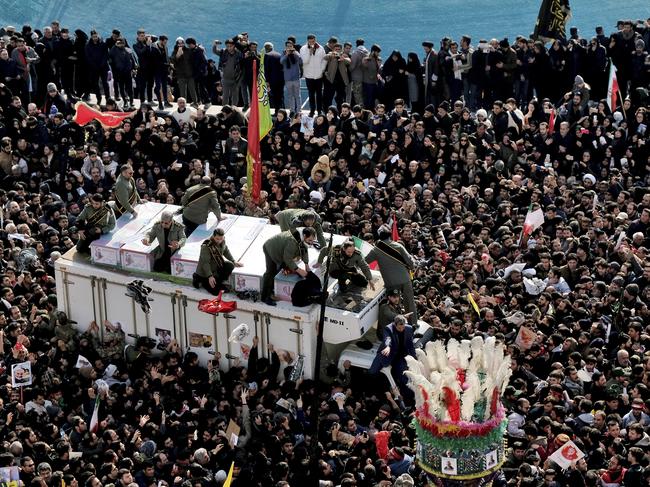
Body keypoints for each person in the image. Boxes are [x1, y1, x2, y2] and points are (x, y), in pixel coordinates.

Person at [365, 226, 417, 324]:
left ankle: (399, 324)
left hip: (391, 282)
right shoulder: (398, 246)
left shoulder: (376, 250)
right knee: (410, 303)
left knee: (395, 304)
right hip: (405, 279)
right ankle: (413, 324)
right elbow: (410, 261)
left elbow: (365, 262)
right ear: (389, 235)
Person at [261, 228, 315, 306]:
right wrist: (298, 270)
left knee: (284, 267)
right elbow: (287, 258)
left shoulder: (302, 237)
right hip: (271, 248)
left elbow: (304, 250)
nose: (311, 243)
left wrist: (306, 265)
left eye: (312, 240)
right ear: (304, 236)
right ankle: (265, 296)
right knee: (271, 272)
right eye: (310, 240)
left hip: (282, 250)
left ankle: (273, 289)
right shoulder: (293, 241)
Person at [368, 315, 415, 384]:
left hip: (400, 356)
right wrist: (387, 347)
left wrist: (414, 358)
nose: (401, 330)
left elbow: (410, 345)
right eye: (399, 328)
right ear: (394, 325)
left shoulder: (409, 329)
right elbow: (387, 338)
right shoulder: (388, 329)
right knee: (372, 371)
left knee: (404, 377)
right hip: (387, 353)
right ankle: (383, 386)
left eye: (403, 327)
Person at [193, 227, 242, 294]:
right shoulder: (206, 246)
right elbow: (205, 263)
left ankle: (218, 281)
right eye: (217, 239)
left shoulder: (223, 241)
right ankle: (201, 280)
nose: (219, 241)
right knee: (216, 292)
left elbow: (226, 251)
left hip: (216, 268)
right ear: (213, 236)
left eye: (221, 239)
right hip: (205, 273)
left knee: (230, 265)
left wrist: (233, 261)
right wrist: (210, 276)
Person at [299, 34, 326, 116]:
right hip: (309, 76)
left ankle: (319, 110)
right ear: (307, 41)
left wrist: (322, 70)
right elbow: (304, 61)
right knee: (311, 94)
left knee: (319, 94)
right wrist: (309, 53)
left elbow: (324, 60)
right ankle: (312, 110)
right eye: (310, 41)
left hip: (319, 76)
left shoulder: (320, 48)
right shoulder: (303, 49)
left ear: (315, 40)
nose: (312, 43)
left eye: (313, 41)